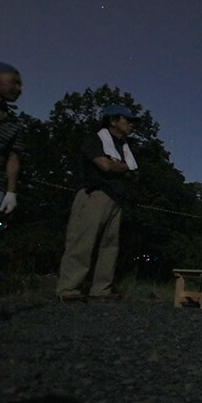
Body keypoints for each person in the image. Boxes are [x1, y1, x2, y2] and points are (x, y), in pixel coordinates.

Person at [56, 104, 140, 301]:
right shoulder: (94, 139)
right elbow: (103, 165)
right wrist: (124, 168)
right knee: (82, 241)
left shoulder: (123, 147)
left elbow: (134, 175)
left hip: (116, 198)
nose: (131, 125)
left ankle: (101, 289)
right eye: (127, 120)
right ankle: (69, 288)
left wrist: (118, 167)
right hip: (93, 195)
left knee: (109, 246)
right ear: (113, 121)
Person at [0, 61, 24, 216]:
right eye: (14, 83)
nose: (19, 89)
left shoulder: (13, 123)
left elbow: (13, 158)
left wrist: (11, 192)